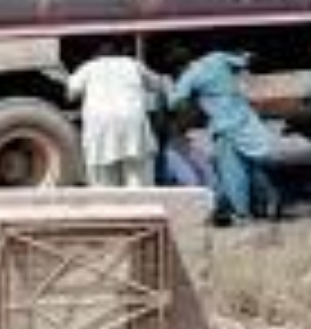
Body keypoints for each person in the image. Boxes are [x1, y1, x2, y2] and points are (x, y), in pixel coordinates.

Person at [167, 49, 282, 222]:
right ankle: (269, 200)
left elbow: (174, 102)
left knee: (233, 172)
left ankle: (242, 213)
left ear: (179, 68)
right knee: (252, 165)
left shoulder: (190, 75)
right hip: (245, 118)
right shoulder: (216, 58)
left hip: (225, 126)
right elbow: (245, 60)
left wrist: (172, 91)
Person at [67, 42, 166, 188]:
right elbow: (158, 84)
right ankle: (139, 206)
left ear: (96, 54)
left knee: (102, 175)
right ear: (119, 52)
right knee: (137, 174)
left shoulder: (88, 67)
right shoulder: (133, 64)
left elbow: (71, 93)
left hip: (100, 121)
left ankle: (109, 206)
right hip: (131, 119)